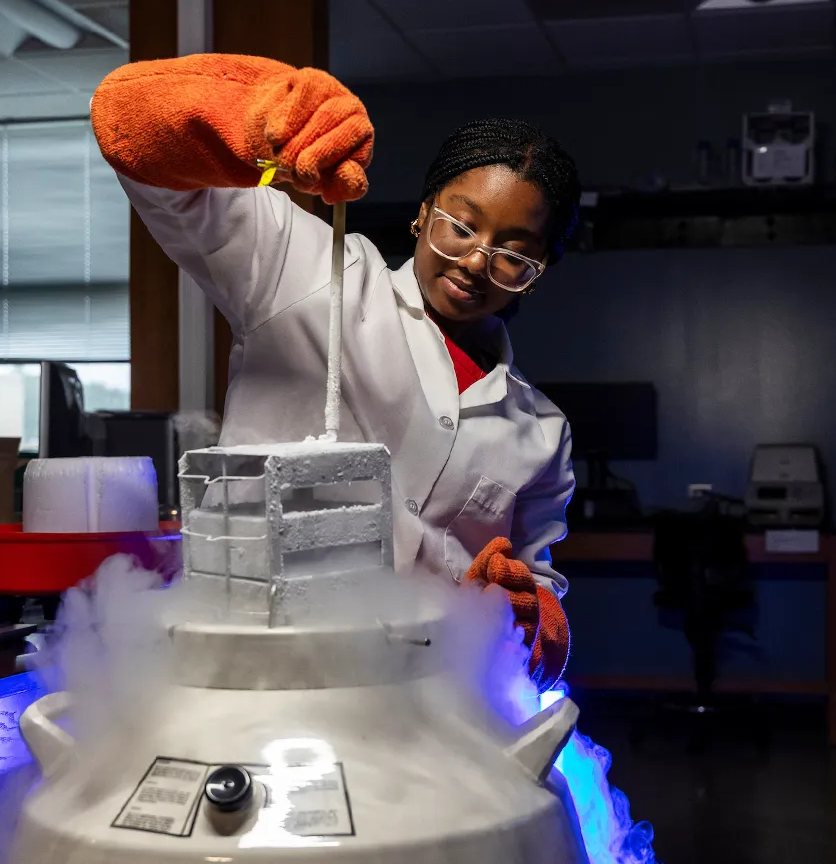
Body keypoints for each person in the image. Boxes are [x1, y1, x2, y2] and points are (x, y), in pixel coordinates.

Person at [91, 54, 581, 690]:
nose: (473, 261)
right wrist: (254, 112)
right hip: (257, 678)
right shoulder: (310, 272)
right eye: (460, 225)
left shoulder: (541, 430)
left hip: (427, 700)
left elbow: (536, 590)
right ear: (423, 212)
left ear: (537, 273)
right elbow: (127, 127)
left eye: (513, 253)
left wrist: (525, 614)